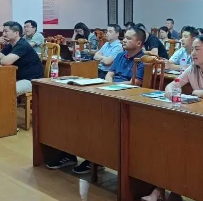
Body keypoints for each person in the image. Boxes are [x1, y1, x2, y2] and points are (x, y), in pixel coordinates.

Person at [142, 35, 203, 201]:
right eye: (192, 49)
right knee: (171, 143)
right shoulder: (193, 68)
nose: (193, 53)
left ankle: (173, 192)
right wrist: (170, 90)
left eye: (197, 49)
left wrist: (194, 92)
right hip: (198, 118)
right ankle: (163, 189)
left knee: (184, 148)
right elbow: (174, 84)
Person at [46, 27, 146, 174]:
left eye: (129, 38)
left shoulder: (143, 60)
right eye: (124, 37)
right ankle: (69, 152)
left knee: (94, 121)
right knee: (74, 113)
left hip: (127, 97)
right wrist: (108, 85)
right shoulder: (121, 55)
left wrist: (112, 85)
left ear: (138, 43)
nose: (124, 40)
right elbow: (109, 74)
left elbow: (134, 83)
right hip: (110, 90)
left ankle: (96, 159)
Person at [0, 21, 44, 95]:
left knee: (8, 90)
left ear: (16, 33)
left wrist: (2, 59)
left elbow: (5, 62)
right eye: (3, 31)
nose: (3, 34)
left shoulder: (22, 45)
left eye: (6, 31)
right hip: (18, 78)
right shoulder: (10, 45)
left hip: (32, 80)